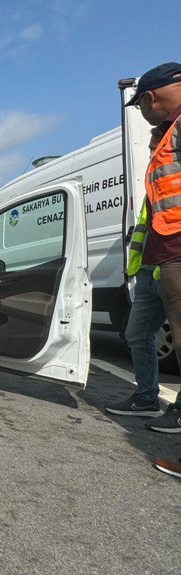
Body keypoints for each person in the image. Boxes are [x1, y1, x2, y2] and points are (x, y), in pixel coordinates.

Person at [126, 61, 181, 434]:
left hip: (174, 256)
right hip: (155, 264)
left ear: (149, 98)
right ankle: (146, 398)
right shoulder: (167, 134)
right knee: (137, 334)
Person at [105, 129, 164, 417]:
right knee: (136, 335)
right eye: (151, 148)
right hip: (147, 271)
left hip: (170, 270)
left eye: (156, 147)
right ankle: (146, 397)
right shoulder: (154, 187)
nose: (152, 153)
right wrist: (138, 267)